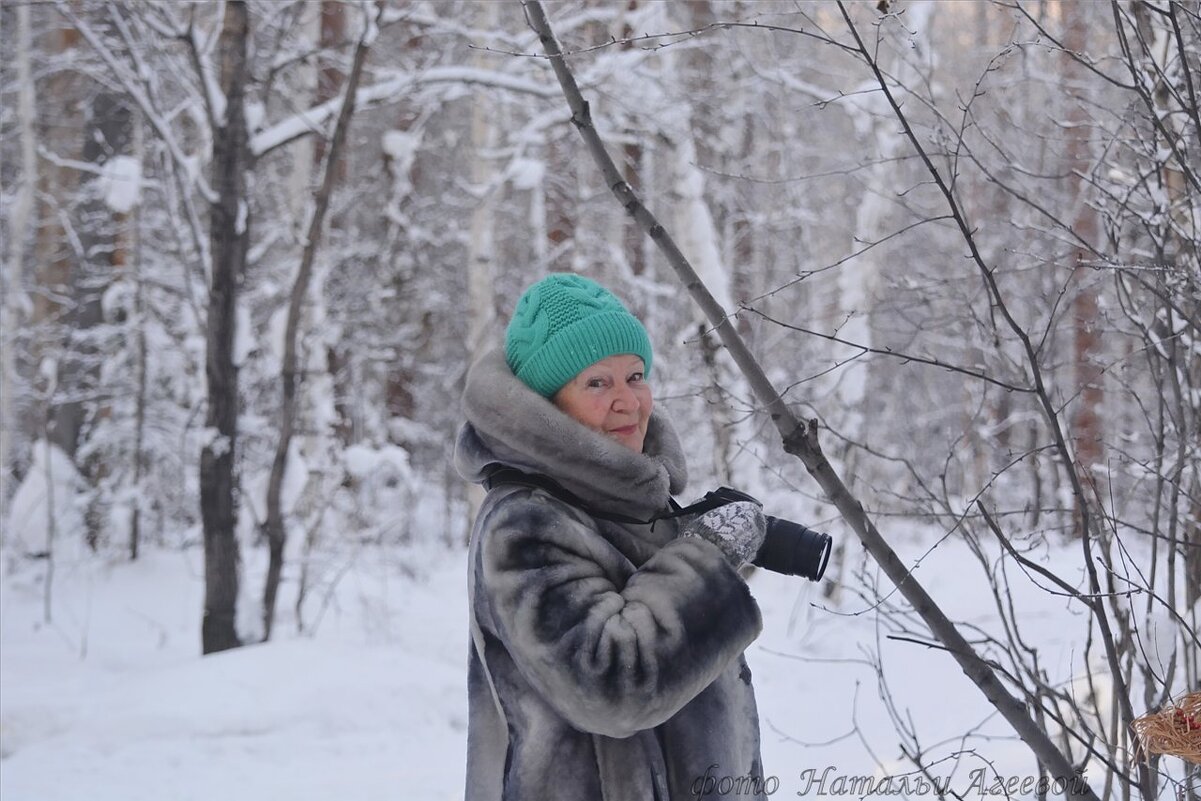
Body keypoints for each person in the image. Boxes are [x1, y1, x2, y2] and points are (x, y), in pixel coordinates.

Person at [455, 273, 770, 800]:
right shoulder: (525, 523)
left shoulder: (634, 505)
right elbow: (612, 686)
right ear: (548, 406)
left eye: (636, 376)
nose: (628, 402)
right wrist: (706, 558)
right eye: (597, 383)